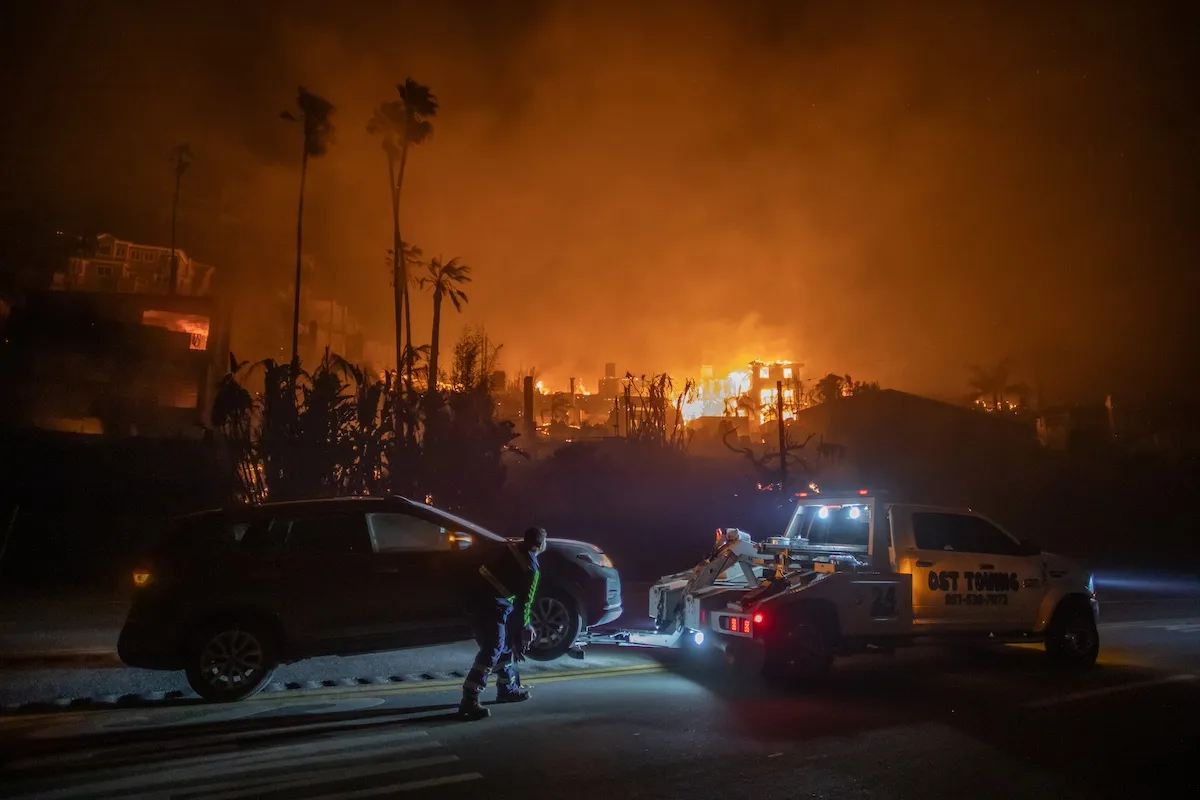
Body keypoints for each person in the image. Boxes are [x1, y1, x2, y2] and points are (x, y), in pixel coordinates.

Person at [458, 526, 547, 720]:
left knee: (503, 646)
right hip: (493, 606)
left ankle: (508, 688)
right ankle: (469, 699)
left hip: (476, 600)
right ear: (541, 545)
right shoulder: (532, 569)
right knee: (493, 648)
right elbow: (526, 602)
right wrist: (526, 627)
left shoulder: (508, 548)